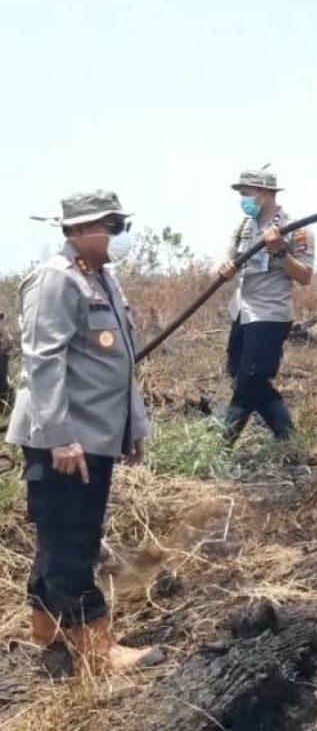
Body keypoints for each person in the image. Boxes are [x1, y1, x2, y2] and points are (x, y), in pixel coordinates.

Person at [6, 190, 162, 671]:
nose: (118, 236)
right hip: (64, 439)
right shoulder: (54, 281)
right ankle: (96, 647)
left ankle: (47, 630)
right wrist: (60, 437)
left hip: (96, 434)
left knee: (67, 536)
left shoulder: (104, 280)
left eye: (120, 226)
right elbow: (44, 361)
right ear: (77, 231)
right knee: (72, 539)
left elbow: (121, 361)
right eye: (110, 227)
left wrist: (132, 426)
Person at [217, 168, 314, 446]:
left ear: (266, 193)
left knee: (250, 380)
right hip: (242, 313)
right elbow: (230, 261)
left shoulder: (297, 229)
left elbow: (305, 277)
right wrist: (224, 269)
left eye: (247, 194)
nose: (243, 200)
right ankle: (289, 441)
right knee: (243, 377)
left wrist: (280, 251)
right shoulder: (244, 228)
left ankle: (223, 446)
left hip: (269, 315)